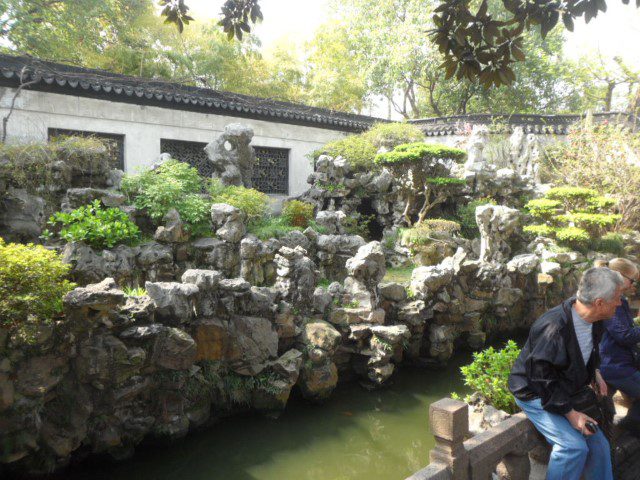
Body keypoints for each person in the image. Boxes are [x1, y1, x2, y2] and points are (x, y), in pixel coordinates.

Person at [508, 267, 624, 480]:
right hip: (536, 391)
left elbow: (590, 350)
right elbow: (541, 378)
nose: (620, 302)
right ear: (599, 303)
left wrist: (595, 373)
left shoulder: (593, 319)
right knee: (572, 447)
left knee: (599, 445)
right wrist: (571, 414)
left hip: (567, 388)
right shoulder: (553, 328)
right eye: (617, 298)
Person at [597, 258, 640, 434]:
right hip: (614, 365)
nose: (633, 285)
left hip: (619, 361)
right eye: (632, 280)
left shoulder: (619, 298)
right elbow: (623, 335)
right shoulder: (611, 299)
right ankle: (629, 426)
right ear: (620, 277)